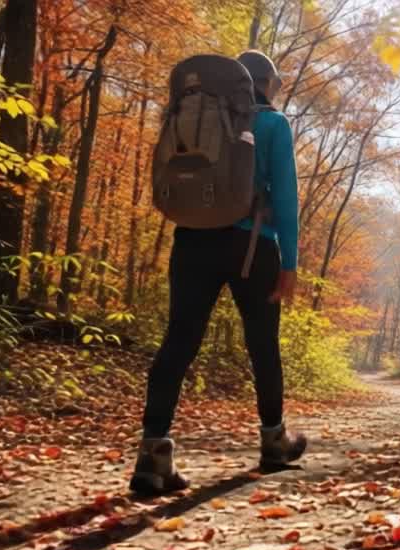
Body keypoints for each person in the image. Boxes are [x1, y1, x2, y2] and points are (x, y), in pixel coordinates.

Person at [131, 50, 307, 496]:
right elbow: (285, 199)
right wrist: (289, 264)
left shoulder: (196, 114)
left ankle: (153, 458)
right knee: (262, 344)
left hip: (192, 241)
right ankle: (273, 443)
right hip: (254, 246)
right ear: (265, 83)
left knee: (179, 342)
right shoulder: (273, 124)